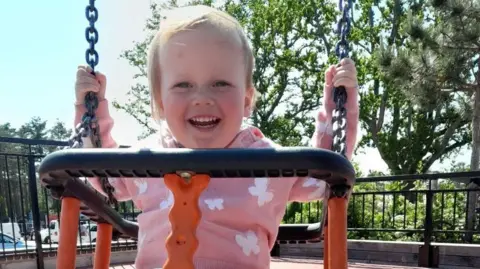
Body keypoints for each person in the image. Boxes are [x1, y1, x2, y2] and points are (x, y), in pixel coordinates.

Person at [74, 4, 359, 269]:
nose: (202, 98)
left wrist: (338, 109)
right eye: (183, 85)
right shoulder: (145, 158)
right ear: (160, 103)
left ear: (247, 100)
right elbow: (106, 179)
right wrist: (91, 110)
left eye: (220, 83)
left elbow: (322, 178)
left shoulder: (269, 162)